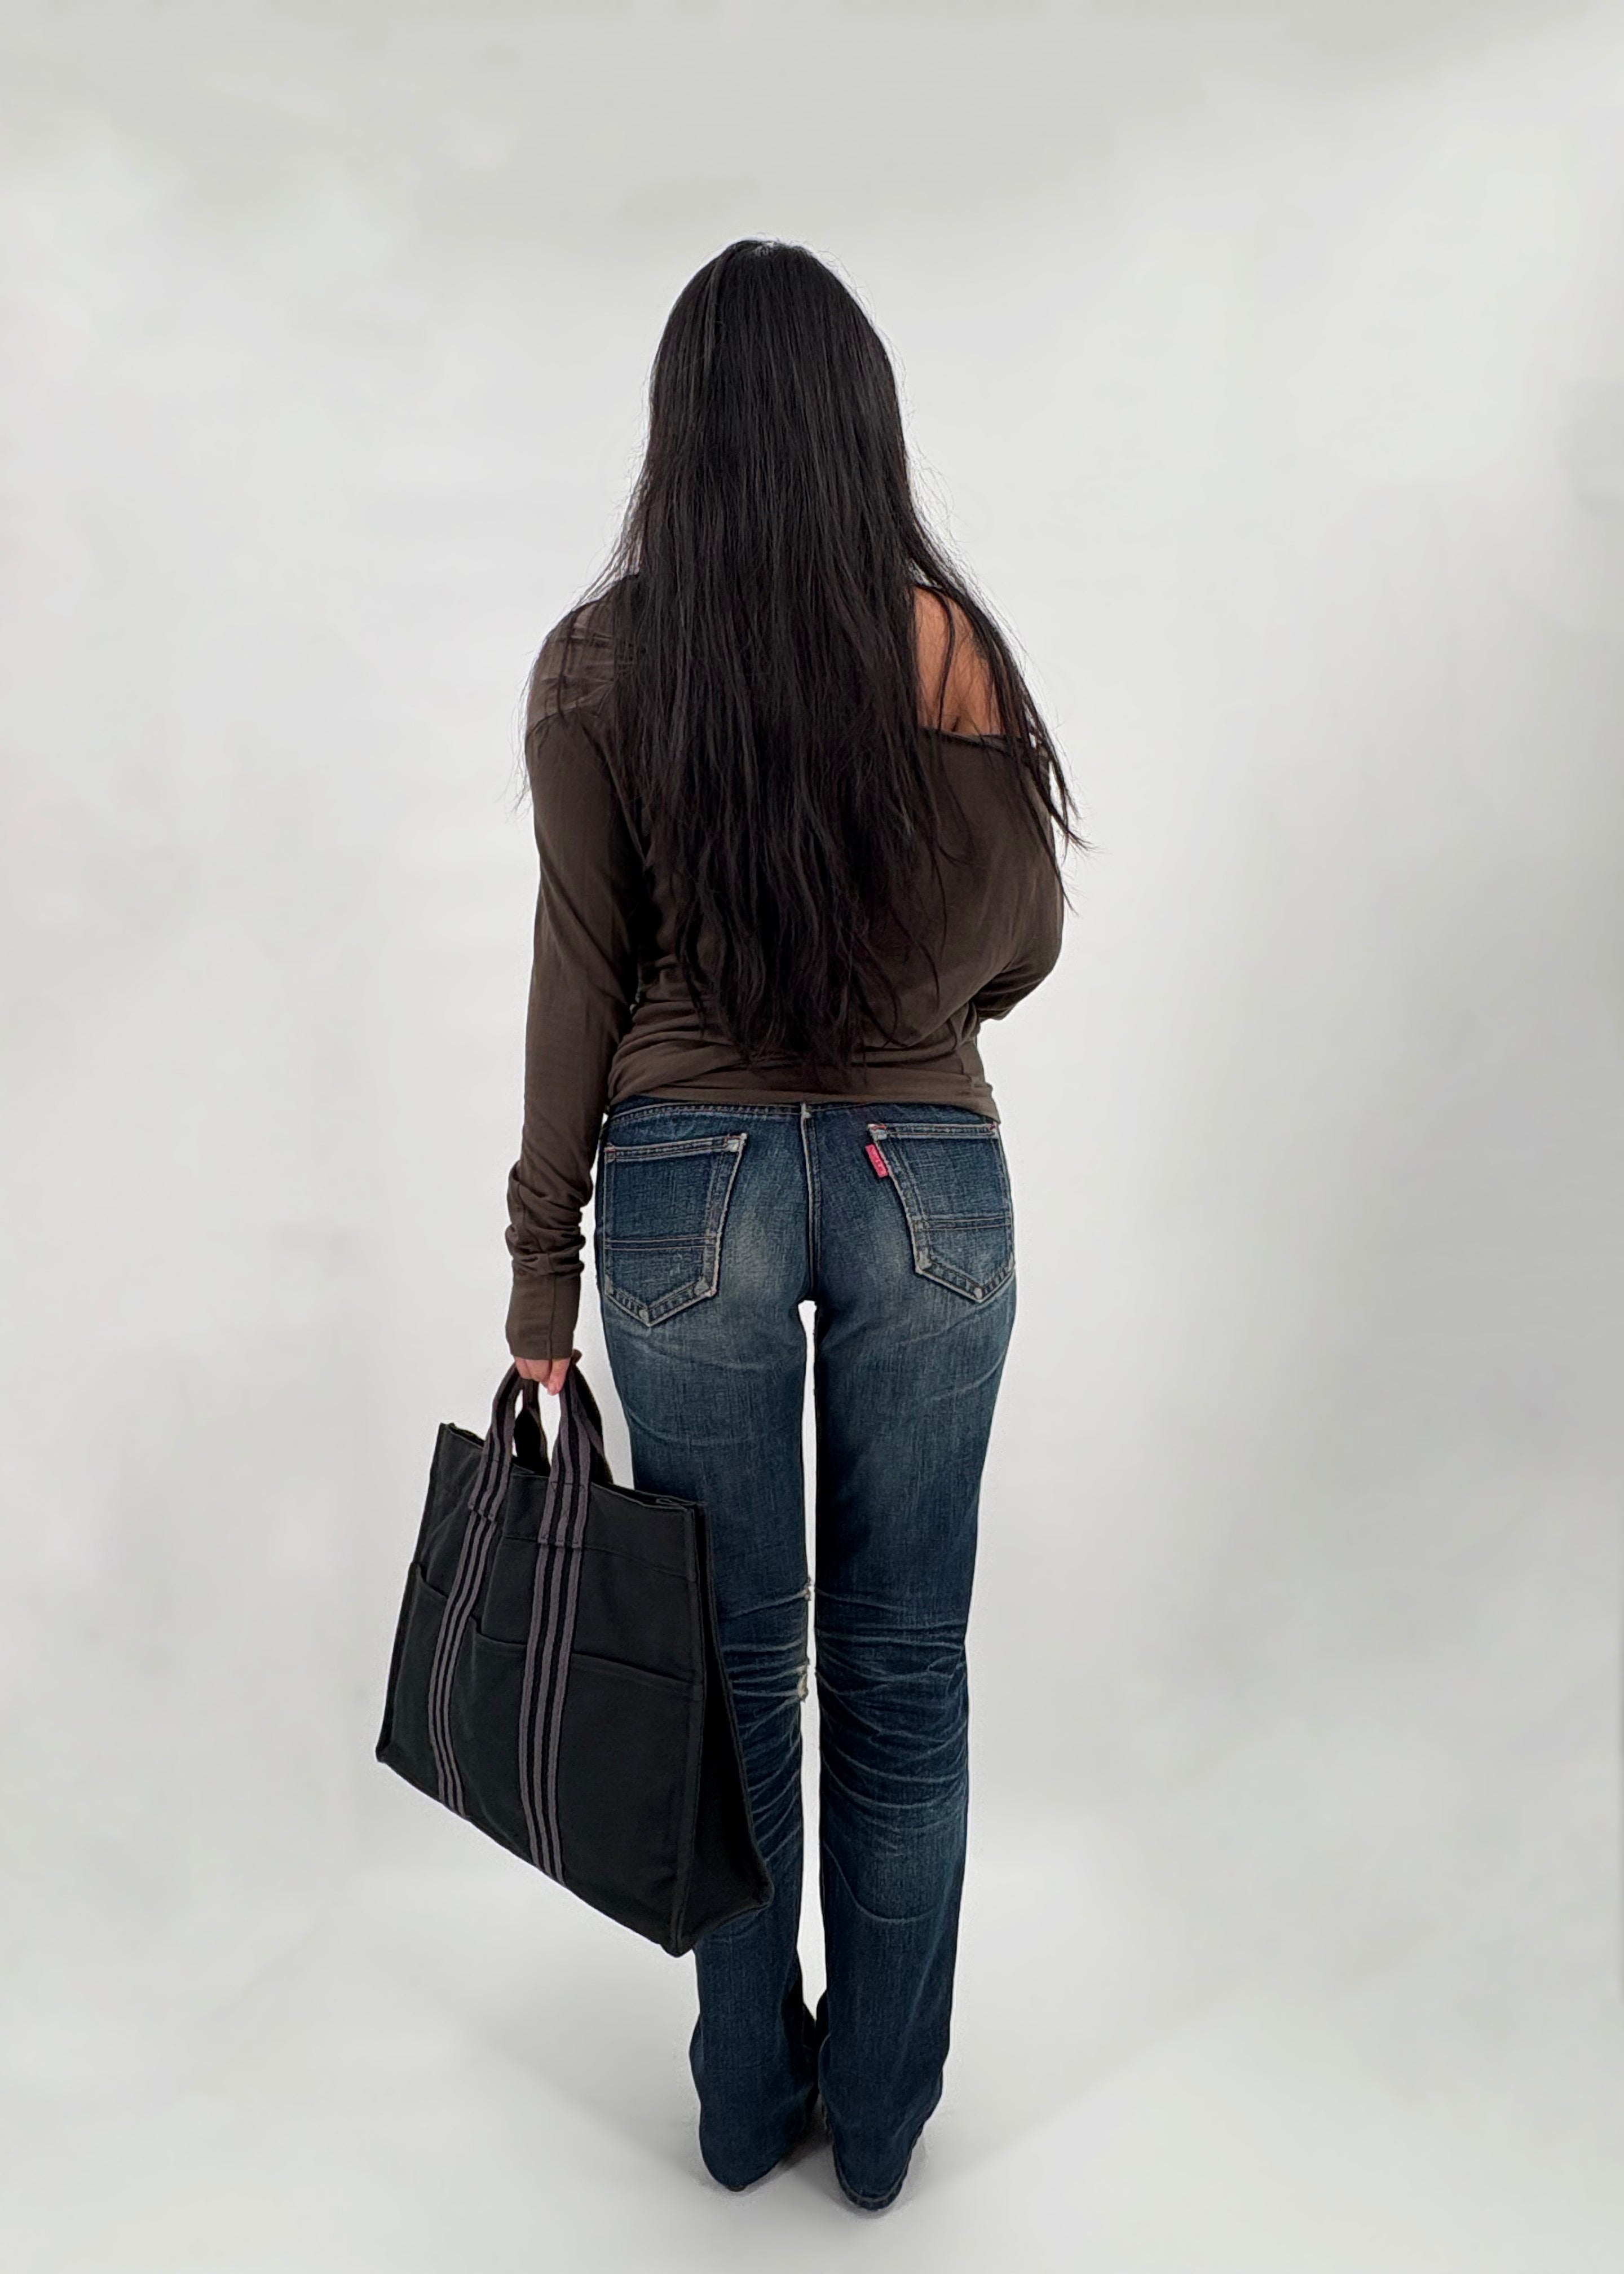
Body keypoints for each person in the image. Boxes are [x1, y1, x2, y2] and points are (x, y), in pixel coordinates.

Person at [502, 239, 1084, 2213]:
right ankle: (886, 2128)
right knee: (904, 1671)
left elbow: (584, 971)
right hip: (931, 1184)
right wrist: (906, 1010)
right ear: (861, 430)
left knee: (736, 1671)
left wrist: (537, 1268)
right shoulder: (953, 654)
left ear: (680, 430)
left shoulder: (598, 664)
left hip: (689, 1189)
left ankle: (747, 2105)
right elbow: (1026, 943)